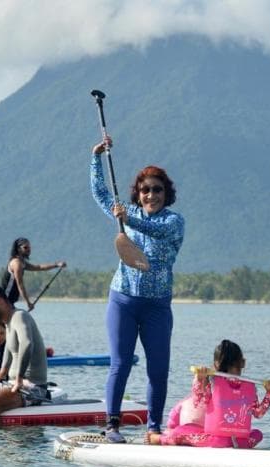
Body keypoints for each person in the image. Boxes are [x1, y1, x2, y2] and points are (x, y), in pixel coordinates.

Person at [91, 135, 185, 443]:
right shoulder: (125, 216)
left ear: (165, 193)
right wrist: (96, 158)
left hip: (157, 305)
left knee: (158, 369)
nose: (151, 195)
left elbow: (155, 229)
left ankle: (154, 428)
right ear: (138, 193)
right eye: (145, 190)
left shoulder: (174, 221)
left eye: (157, 189)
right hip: (124, 301)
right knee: (120, 363)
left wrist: (128, 217)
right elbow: (101, 194)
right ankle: (112, 425)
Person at [148, 340, 270, 448]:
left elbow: (198, 400)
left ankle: (159, 439)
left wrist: (200, 380)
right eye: (238, 365)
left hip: (215, 441)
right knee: (257, 434)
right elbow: (259, 413)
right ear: (242, 363)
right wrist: (269, 394)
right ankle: (158, 439)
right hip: (240, 442)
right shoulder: (222, 384)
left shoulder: (239, 386)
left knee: (180, 432)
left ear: (216, 365)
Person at [0, 283, 50, 427]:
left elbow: (27, 344)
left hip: (31, 388)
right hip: (10, 384)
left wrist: (19, 378)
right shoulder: (7, 322)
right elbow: (9, 349)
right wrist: (2, 372)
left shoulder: (20, 316)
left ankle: (1, 447)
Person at [1, 237, 66, 311]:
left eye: (29, 247)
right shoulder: (16, 263)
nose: (29, 249)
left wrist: (57, 265)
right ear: (18, 249)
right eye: (25, 247)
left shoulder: (22, 262)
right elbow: (20, 284)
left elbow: (39, 267)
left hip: (10, 302)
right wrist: (28, 303)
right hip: (5, 301)